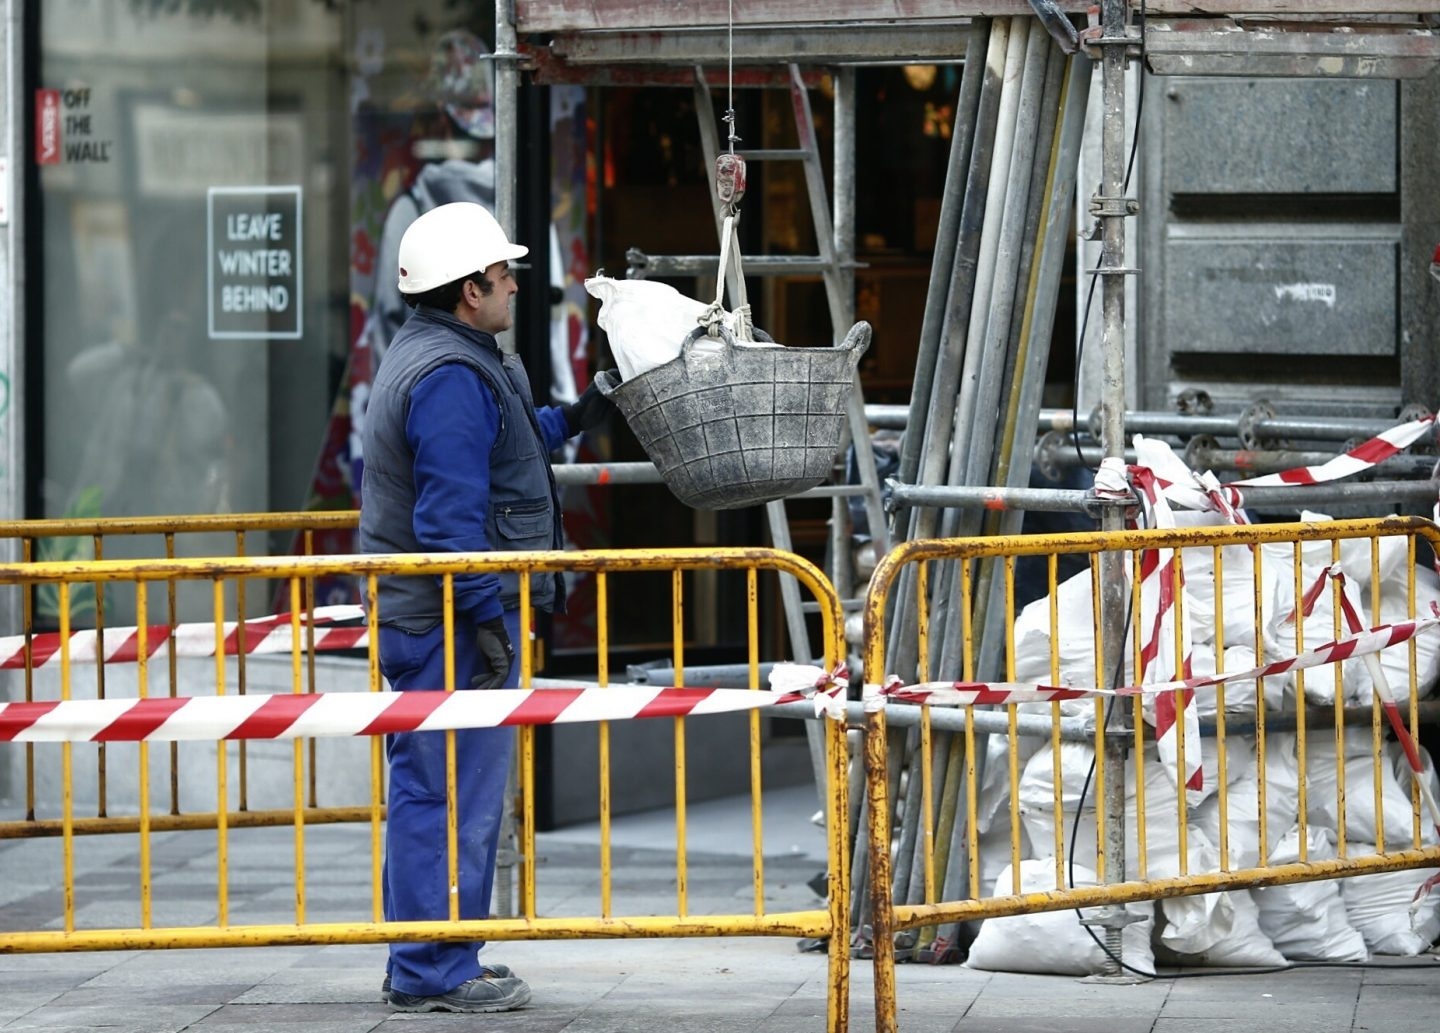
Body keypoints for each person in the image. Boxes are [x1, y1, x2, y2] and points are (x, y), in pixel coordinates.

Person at [359, 200, 613, 1014]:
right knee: (447, 791)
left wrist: (577, 415)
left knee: (438, 788)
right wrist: (487, 626)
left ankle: (434, 957)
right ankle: (435, 967)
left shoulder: (452, 358)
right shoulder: (449, 376)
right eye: (504, 275)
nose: (513, 287)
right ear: (471, 289)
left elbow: (506, 443)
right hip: (449, 622)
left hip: (441, 618)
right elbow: (449, 529)